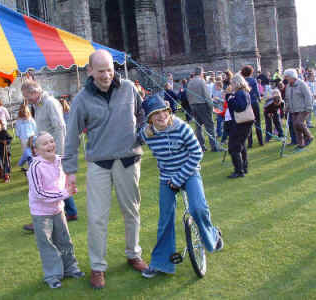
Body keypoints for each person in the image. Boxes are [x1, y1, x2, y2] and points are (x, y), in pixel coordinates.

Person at [63, 49, 147, 289]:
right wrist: (69, 171)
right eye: (100, 71)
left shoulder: (130, 88)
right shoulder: (81, 98)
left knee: (132, 212)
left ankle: (134, 254)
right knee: (97, 218)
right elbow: (71, 137)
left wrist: (142, 134)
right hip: (99, 163)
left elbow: (142, 114)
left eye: (110, 69)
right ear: (90, 71)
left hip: (129, 160)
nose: (106, 75)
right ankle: (98, 267)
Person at [137, 95, 223, 278]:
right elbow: (132, 139)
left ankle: (213, 236)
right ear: (150, 119)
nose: (161, 117)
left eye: (163, 112)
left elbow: (197, 153)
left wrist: (179, 178)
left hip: (189, 173)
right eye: (155, 114)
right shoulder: (147, 133)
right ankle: (160, 263)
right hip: (166, 178)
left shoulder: (182, 128)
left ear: (169, 111)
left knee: (198, 208)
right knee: (165, 219)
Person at [28, 132, 84, 289]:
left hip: (58, 209)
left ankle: (71, 268)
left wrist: (70, 184)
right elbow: (39, 194)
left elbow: (69, 171)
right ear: (36, 150)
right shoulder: (35, 167)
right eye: (44, 144)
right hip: (41, 213)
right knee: (47, 244)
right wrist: (65, 193)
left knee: (64, 240)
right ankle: (53, 275)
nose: (50, 145)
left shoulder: (60, 160)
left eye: (51, 141)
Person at [21, 80, 78, 232]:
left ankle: (53, 216)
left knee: (51, 183)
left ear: (34, 92)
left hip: (53, 150)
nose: (27, 100)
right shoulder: (39, 105)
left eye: (27, 96)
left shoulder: (50, 103)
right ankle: (70, 212)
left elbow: (60, 127)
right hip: (46, 149)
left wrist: (57, 153)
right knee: (55, 181)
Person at [226, 74, 254, 178]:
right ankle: (243, 167)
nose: (231, 85)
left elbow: (239, 107)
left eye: (232, 83)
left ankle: (239, 170)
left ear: (236, 83)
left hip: (241, 123)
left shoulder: (240, 93)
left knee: (234, 147)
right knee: (241, 146)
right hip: (244, 122)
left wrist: (229, 98)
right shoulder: (243, 92)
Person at [186, 66, 219, 152]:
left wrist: (191, 105)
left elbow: (188, 96)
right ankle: (214, 146)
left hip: (193, 105)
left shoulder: (190, 82)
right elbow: (207, 96)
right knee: (210, 126)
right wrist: (211, 107)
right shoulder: (201, 81)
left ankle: (201, 146)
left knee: (198, 127)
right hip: (202, 105)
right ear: (201, 73)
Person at [283, 69, 314, 149]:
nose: (286, 79)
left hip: (303, 108)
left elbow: (308, 96)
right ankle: (301, 144)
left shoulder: (301, 84)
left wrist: (309, 107)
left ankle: (309, 136)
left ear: (292, 76)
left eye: (287, 77)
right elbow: (287, 98)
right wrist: (286, 108)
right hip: (293, 109)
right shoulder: (288, 86)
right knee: (296, 127)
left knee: (298, 123)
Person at [241, 65, 264, 147]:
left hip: (246, 104)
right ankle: (261, 141)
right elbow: (257, 91)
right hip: (254, 102)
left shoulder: (242, 81)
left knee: (248, 124)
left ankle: (250, 143)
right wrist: (259, 98)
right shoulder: (253, 80)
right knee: (257, 122)